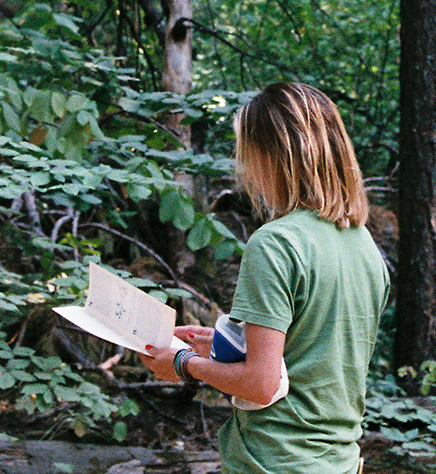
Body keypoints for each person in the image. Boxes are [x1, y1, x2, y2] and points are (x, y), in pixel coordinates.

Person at [142, 81, 388, 474]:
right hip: (338, 463)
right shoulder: (365, 248)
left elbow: (261, 384)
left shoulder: (275, 243)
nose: (245, 168)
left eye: (247, 152)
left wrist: (184, 363)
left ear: (273, 155)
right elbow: (310, 360)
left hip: (272, 463)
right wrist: (220, 346)